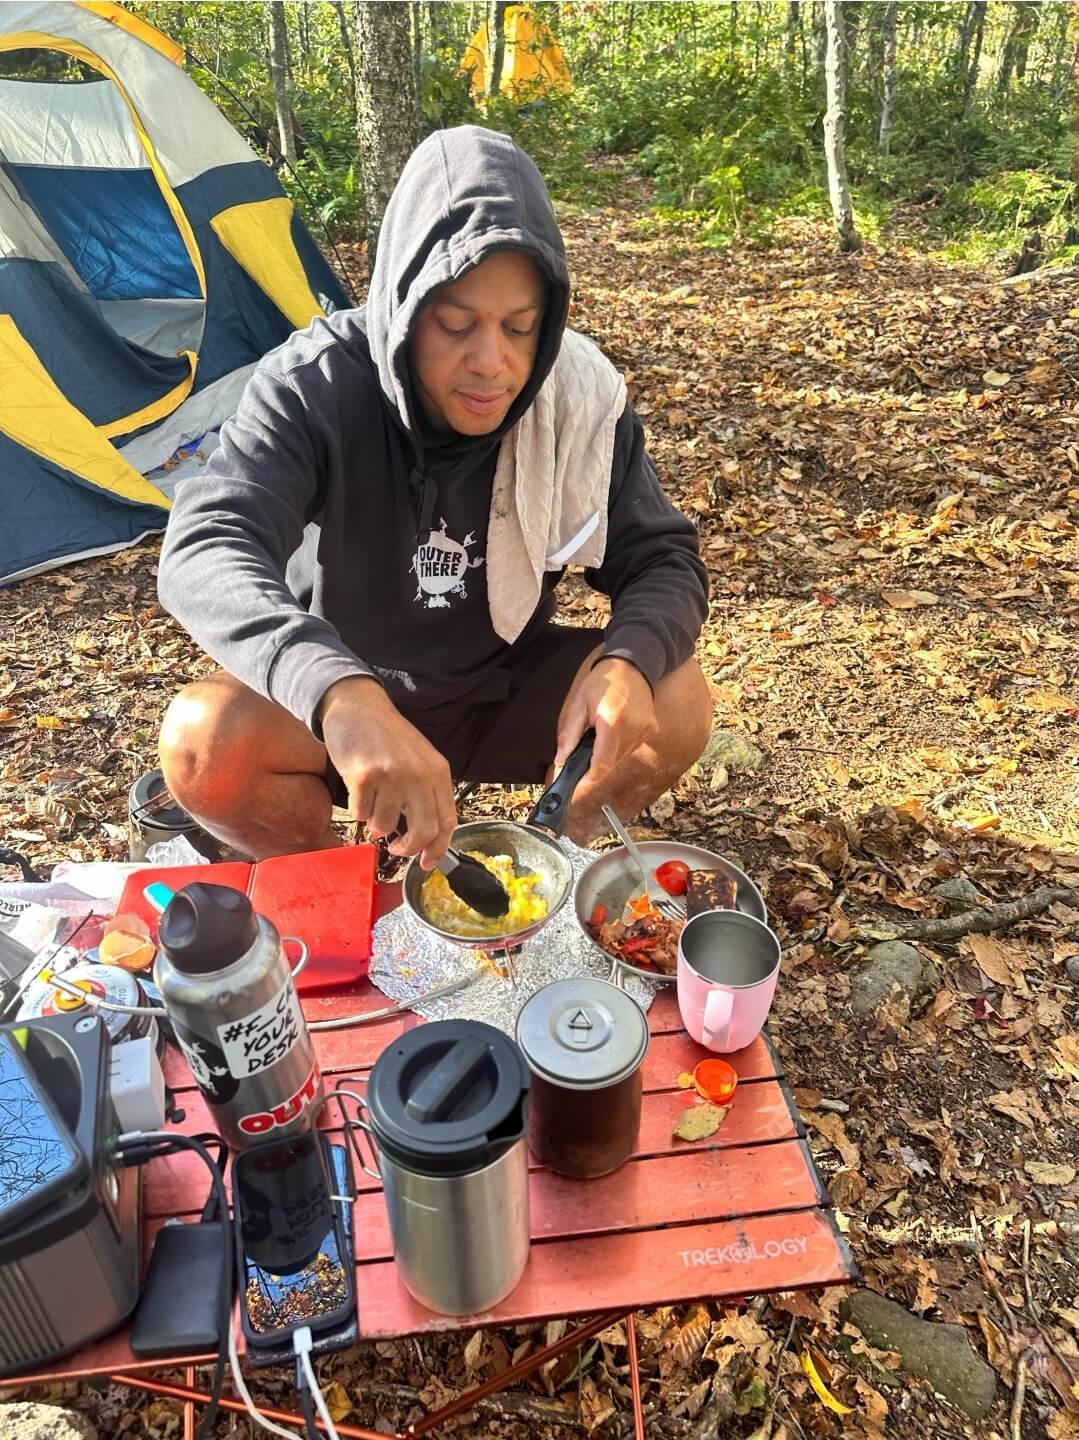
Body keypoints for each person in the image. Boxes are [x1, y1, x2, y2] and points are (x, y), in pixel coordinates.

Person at [157, 125, 712, 869]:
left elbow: (661, 557)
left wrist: (629, 662)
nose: (493, 364)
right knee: (204, 744)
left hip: (500, 683)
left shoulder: (574, 394)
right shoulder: (314, 386)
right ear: (402, 310)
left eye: (520, 328)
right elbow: (206, 546)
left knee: (673, 699)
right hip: (347, 687)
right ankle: (346, 888)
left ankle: (552, 864)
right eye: (455, 325)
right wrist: (339, 694)